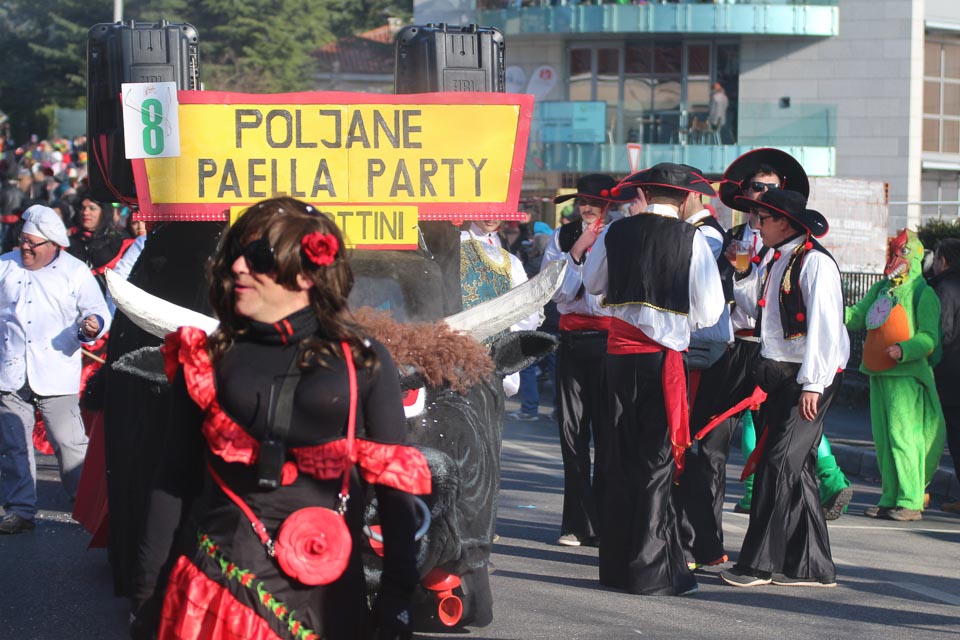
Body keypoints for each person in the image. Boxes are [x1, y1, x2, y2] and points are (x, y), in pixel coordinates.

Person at [130, 197, 429, 639]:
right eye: (236, 254)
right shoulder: (206, 359)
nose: (238, 268)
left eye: (258, 257)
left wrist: (397, 600)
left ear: (307, 274)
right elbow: (173, 481)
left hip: (331, 604)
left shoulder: (363, 361)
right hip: (215, 601)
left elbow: (395, 494)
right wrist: (145, 600)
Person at [584, 163, 725, 596]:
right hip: (662, 360)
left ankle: (615, 566)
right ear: (684, 200)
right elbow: (709, 312)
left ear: (644, 193)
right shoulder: (692, 239)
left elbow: (593, 283)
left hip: (618, 359)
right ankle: (650, 569)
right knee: (657, 463)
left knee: (618, 458)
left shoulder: (616, 232)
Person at [720, 188, 849, 588]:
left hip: (808, 376)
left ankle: (758, 565)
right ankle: (811, 567)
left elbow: (826, 327)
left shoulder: (814, 262)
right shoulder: (777, 258)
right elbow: (753, 310)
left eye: (763, 219)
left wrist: (813, 384)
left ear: (784, 222)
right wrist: (743, 271)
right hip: (782, 374)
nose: (756, 225)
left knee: (776, 465)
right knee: (797, 468)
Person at [0, 204, 110, 534]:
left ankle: (87, 506)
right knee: (14, 446)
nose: (25, 247)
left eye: (32, 243)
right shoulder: (5, 265)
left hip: (56, 369)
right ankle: (20, 509)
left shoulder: (74, 271)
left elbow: (97, 311)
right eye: (23, 240)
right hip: (11, 370)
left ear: (52, 244)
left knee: (69, 442)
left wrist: (92, 325)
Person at [545, 174, 637, 547]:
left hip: (610, 342)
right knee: (572, 434)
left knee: (609, 434)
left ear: (609, 206)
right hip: (572, 342)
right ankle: (576, 522)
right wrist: (576, 254)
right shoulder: (562, 237)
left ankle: (605, 521)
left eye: (596, 203)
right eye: (583, 201)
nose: (588, 208)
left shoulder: (622, 235)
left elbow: (612, 294)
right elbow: (557, 293)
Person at [846, 230, 945, 521]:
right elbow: (859, 315)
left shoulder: (923, 293)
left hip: (905, 376)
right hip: (878, 373)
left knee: (904, 437)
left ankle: (910, 499)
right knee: (883, 440)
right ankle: (890, 497)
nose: (894, 258)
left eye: (902, 252)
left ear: (914, 256)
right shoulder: (881, 289)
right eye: (893, 251)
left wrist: (905, 349)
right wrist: (829, 311)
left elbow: (930, 337)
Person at [460, 218, 542, 396]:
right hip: (480, 353)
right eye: (484, 209)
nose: (491, 217)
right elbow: (527, 313)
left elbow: (527, 311)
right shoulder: (462, 244)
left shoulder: (503, 247)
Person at [932, 238, 960, 514]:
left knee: (956, 436)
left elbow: (942, 333)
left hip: (951, 375)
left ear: (943, 261)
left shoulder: (944, 288)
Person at [67, 192, 126, 284]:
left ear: (104, 212)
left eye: (92, 208)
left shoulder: (120, 243)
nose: (85, 212)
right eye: (82, 208)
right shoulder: (68, 243)